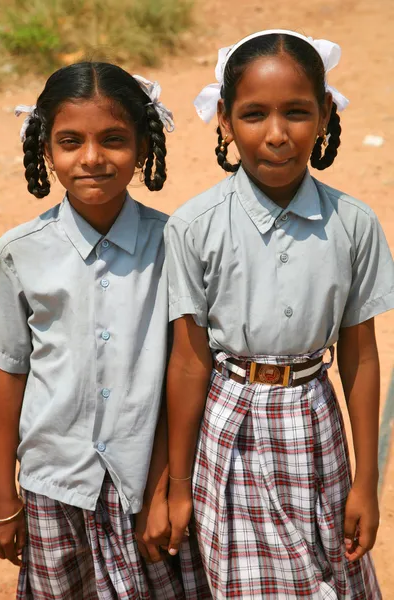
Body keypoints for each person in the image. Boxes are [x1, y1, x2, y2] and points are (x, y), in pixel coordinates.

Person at [165, 29, 394, 599]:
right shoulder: (194, 227)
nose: (276, 134)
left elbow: (360, 355)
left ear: (324, 115)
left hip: (317, 430)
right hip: (230, 436)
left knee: (331, 580)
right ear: (223, 119)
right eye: (253, 114)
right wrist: (175, 485)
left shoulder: (354, 224)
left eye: (296, 112)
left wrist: (366, 483)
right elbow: (190, 365)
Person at [0, 61, 209, 599]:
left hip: (144, 482)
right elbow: (9, 372)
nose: (91, 158)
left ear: (143, 145)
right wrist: (2, 496)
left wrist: (165, 486)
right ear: (46, 148)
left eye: (113, 139)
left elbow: (186, 369)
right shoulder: (19, 253)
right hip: (53, 482)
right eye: (71, 141)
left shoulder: (174, 245)